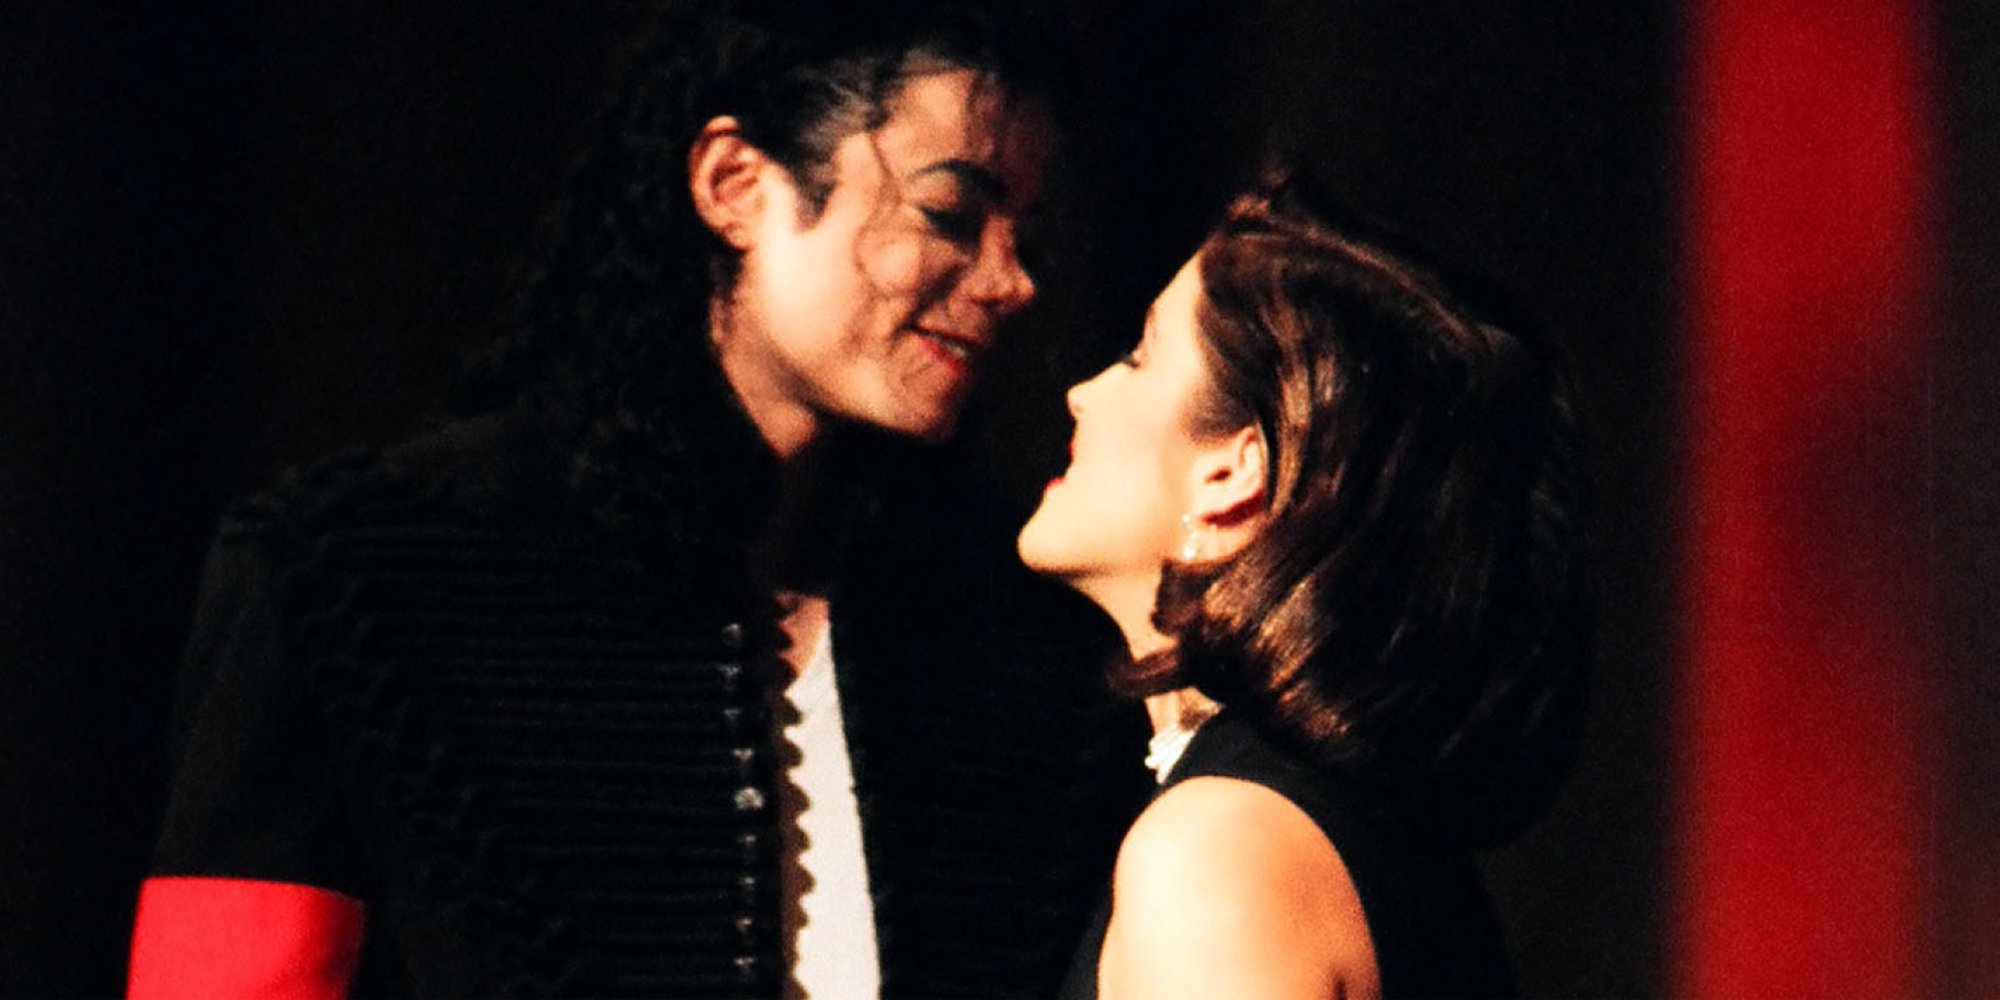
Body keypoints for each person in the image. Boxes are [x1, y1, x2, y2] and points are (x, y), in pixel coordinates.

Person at [128, 2, 1142, 996]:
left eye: (1027, 234)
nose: (1010, 279)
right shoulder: (350, 571)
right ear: (733, 184)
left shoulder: (1015, 632)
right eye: (948, 213)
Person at [1018, 172, 1589, 999]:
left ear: (1232, 471)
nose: (1082, 394)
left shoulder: (1217, 852)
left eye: (1139, 357)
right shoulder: (1352, 831)